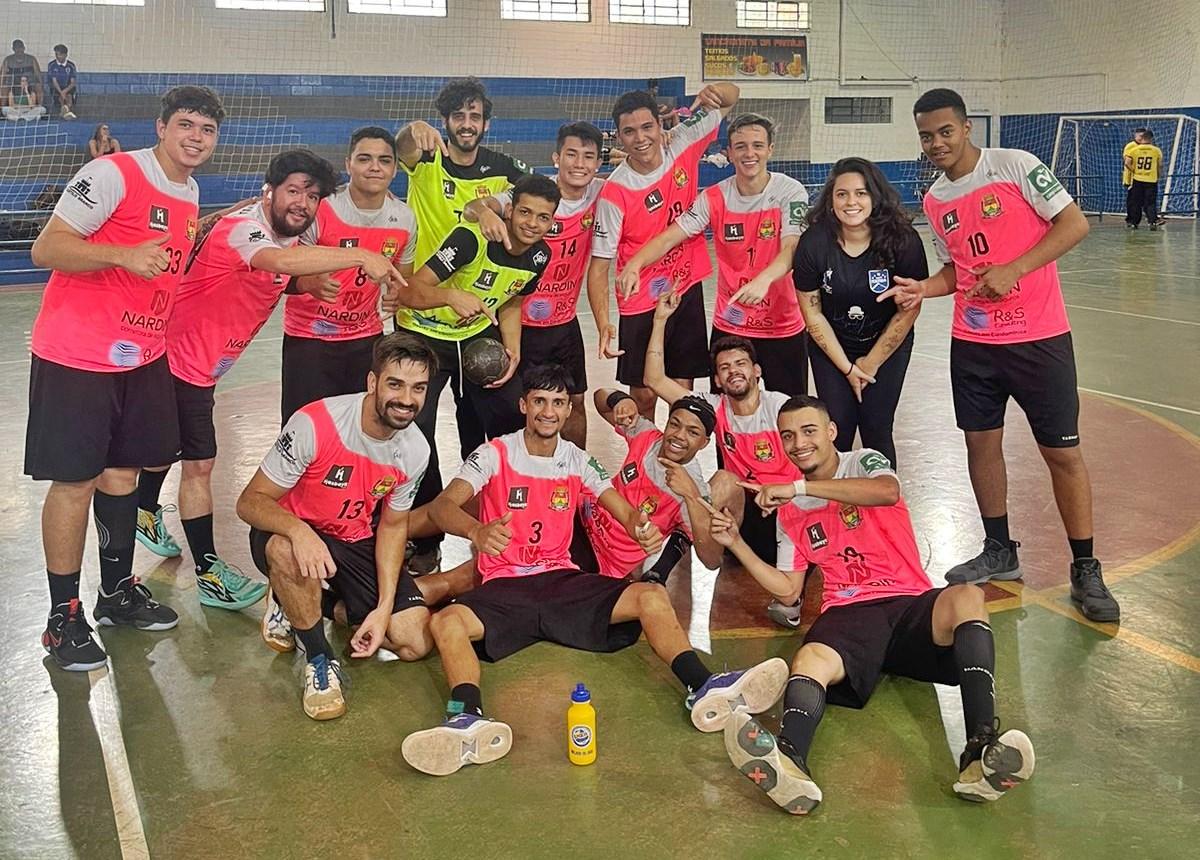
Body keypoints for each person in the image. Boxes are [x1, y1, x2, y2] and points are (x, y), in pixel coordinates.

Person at [399, 364, 788, 777]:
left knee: (651, 595)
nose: (549, 412)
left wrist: (640, 527)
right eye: (540, 402)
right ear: (524, 405)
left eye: (559, 403)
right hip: (507, 584)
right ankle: (466, 716)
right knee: (447, 624)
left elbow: (618, 506)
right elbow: (444, 506)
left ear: (568, 411)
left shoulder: (579, 461)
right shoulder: (495, 453)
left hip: (563, 580)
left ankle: (702, 685)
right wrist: (476, 532)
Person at [710, 394, 1035, 815]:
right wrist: (736, 542)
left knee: (968, 596)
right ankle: (789, 763)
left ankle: (980, 753)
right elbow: (789, 590)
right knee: (809, 656)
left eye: (809, 431)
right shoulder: (790, 510)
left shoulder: (862, 462)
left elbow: (886, 491)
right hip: (848, 614)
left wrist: (798, 486)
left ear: (831, 432)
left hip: (907, 605)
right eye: (788, 436)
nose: (798, 443)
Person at [135, 150, 406, 612]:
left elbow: (281, 274)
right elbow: (270, 260)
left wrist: (308, 286)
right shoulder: (245, 230)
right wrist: (361, 255)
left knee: (166, 449)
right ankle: (208, 574)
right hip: (176, 363)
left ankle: (144, 512)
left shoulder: (289, 241)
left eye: (313, 195)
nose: (303, 202)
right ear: (271, 190)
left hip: (197, 366)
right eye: (294, 190)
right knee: (199, 464)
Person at [886, 88, 1118, 622]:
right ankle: (999, 549)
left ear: (968, 128)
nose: (937, 143)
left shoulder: (1016, 166)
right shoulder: (936, 200)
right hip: (973, 345)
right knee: (980, 446)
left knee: (1062, 453)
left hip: (1039, 339)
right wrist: (926, 288)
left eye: (945, 131)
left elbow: (1074, 224)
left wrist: (1016, 268)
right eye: (926, 135)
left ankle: (1085, 566)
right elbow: (958, 271)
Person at [26, 86, 225, 672]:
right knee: (75, 481)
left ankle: (115, 594)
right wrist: (124, 254)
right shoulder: (112, 173)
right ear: (161, 127)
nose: (195, 137)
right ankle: (63, 617)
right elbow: (48, 247)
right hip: (77, 356)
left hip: (141, 356)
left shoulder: (188, 192)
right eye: (186, 124)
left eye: (207, 130)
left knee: (123, 473)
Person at [237, 334, 441, 720]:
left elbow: (394, 527)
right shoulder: (316, 424)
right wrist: (299, 532)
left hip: (353, 537)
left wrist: (382, 609)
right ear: (372, 383)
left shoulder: (415, 449)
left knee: (414, 641)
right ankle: (318, 657)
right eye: (395, 384)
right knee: (286, 552)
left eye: (418, 388)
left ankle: (298, 600)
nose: (407, 399)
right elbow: (250, 502)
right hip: (289, 530)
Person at [394, 76, 532, 572]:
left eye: (475, 116)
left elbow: (536, 196)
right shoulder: (426, 161)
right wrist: (412, 130)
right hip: (422, 318)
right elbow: (403, 147)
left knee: (493, 423)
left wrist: (486, 206)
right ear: (446, 121)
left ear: (485, 123)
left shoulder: (504, 169)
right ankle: (427, 533)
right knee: (416, 432)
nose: (467, 124)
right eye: (458, 116)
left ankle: (489, 518)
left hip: (477, 325)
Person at [394, 172, 558, 574]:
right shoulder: (470, 239)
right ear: (510, 208)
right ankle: (427, 537)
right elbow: (408, 291)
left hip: (472, 336)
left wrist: (513, 348)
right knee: (417, 436)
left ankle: (507, 517)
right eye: (525, 213)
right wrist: (449, 294)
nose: (532, 224)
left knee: (510, 420)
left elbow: (513, 298)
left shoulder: (540, 256)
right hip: (423, 336)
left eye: (543, 218)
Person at [619, 113, 811, 396]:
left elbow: (792, 247)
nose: (749, 153)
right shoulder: (714, 197)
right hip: (731, 324)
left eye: (757, 145)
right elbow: (671, 236)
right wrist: (636, 262)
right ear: (729, 152)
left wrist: (763, 280)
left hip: (782, 326)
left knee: (790, 413)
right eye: (741, 146)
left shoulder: (790, 191)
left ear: (770, 149)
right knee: (727, 416)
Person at [644, 290, 804, 625]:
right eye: (725, 368)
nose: (733, 372)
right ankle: (707, 556)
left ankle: (793, 590)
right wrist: (660, 320)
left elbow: (813, 465)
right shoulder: (715, 408)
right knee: (722, 480)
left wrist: (782, 491)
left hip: (785, 509)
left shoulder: (781, 407)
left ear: (757, 371)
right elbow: (654, 380)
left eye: (741, 364)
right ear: (717, 380)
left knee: (802, 504)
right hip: (743, 513)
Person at [589, 84, 740, 420]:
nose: (640, 138)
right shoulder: (616, 192)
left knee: (680, 391)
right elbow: (599, 266)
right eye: (629, 132)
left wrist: (717, 91)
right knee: (642, 395)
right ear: (618, 137)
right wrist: (603, 323)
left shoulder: (683, 141)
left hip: (684, 287)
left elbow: (732, 99)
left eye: (647, 127)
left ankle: (677, 466)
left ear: (660, 126)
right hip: (640, 299)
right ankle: (642, 464)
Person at [464, 121, 605, 448]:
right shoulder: (532, 194)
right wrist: (483, 212)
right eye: (571, 154)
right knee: (514, 407)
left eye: (588, 157)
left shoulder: (601, 192)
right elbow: (474, 207)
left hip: (563, 325)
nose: (579, 164)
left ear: (598, 164)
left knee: (574, 404)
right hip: (518, 321)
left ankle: (575, 480)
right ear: (557, 157)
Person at [793, 157, 927, 467]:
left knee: (877, 427)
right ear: (831, 199)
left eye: (861, 193)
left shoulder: (903, 241)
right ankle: (834, 508)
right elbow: (812, 314)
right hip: (832, 346)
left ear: (875, 196)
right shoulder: (814, 243)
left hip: (886, 346)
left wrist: (870, 363)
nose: (851, 201)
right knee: (836, 428)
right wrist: (848, 368)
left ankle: (884, 509)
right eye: (842, 194)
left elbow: (908, 311)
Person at [281, 126, 418, 422]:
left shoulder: (404, 218)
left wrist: (397, 295)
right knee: (304, 426)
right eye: (364, 159)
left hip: (365, 339)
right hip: (310, 338)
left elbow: (402, 277)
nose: (374, 167)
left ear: (395, 168)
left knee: (359, 425)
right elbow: (282, 268)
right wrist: (307, 282)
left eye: (384, 160)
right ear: (348, 164)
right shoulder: (321, 209)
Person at [587, 390, 740, 581]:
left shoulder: (692, 489)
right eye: (675, 425)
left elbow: (711, 560)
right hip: (580, 517)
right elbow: (600, 398)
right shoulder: (646, 435)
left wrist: (692, 497)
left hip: (605, 557)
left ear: (704, 443)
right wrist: (621, 400)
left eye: (693, 432)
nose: (679, 436)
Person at [1125, 128, 1164, 231]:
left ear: (1142, 138)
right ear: (1151, 139)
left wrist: (1134, 171)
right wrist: (1158, 175)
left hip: (1138, 179)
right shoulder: (1156, 150)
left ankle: (1134, 222)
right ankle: (1152, 221)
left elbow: (1127, 163)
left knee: (1136, 202)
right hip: (1151, 180)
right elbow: (1160, 165)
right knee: (1150, 202)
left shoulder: (1134, 150)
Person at [46, 44, 77, 119]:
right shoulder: (52, 65)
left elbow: (73, 82)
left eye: (60, 55)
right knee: (60, 97)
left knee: (69, 96)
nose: (58, 57)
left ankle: (66, 111)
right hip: (56, 87)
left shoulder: (71, 65)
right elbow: (54, 81)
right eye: (56, 54)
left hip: (68, 87)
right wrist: (61, 92)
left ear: (65, 55)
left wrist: (65, 91)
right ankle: (65, 111)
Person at [1121, 128, 1143, 217]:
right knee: (1132, 199)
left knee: (1139, 199)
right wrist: (1135, 171)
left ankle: (1137, 217)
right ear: (1135, 136)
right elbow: (1127, 161)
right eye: (1140, 136)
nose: (1141, 138)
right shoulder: (1131, 146)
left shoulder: (1144, 147)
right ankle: (1130, 218)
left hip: (1141, 177)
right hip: (1132, 177)